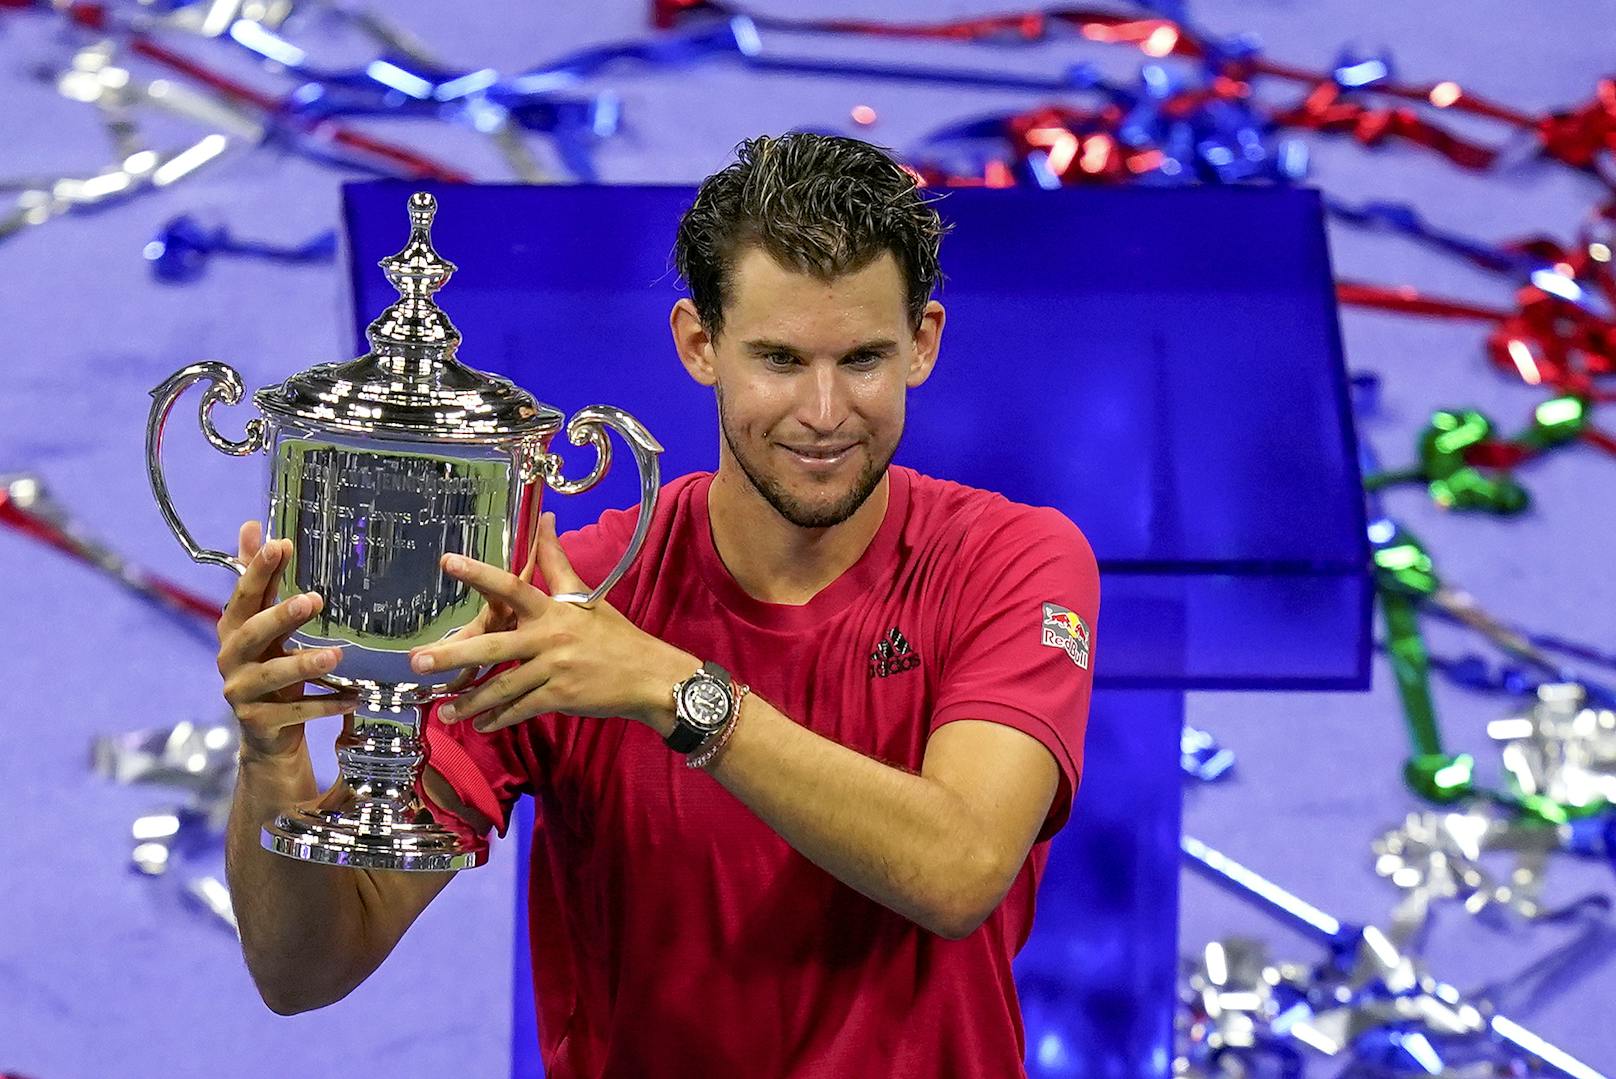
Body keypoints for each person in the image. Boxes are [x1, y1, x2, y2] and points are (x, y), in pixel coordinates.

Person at [216, 132, 1100, 1077]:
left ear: (923, 343)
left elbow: (958, 868)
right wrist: (270, 757)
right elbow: (304, 969)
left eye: (864, 359)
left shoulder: (1016, 561)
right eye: (781, 359)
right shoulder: (567, 601)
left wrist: (677, 692)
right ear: (698, 345)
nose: (825, 410)